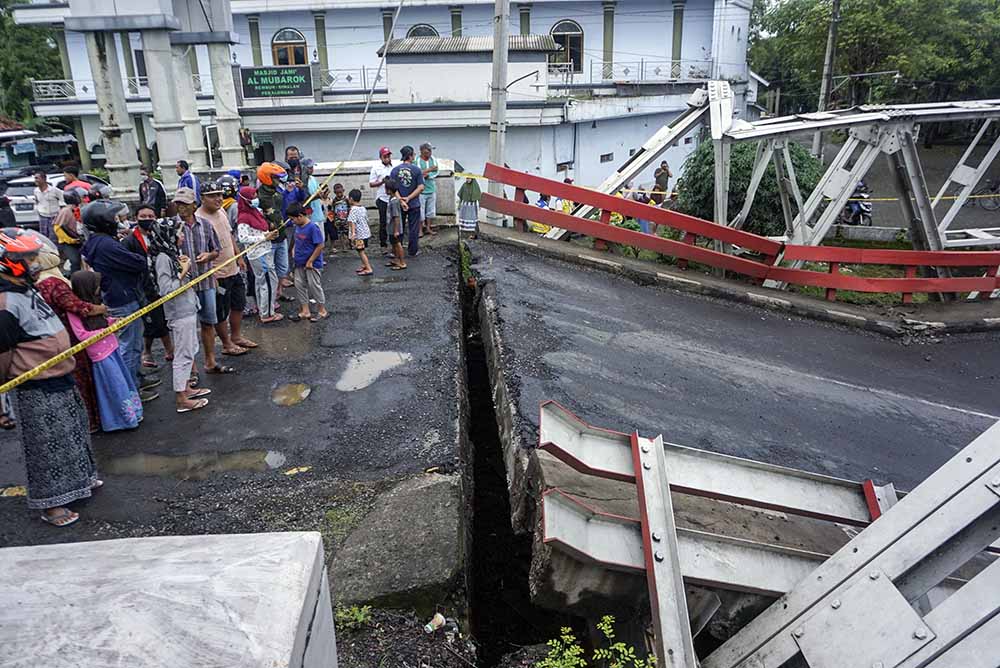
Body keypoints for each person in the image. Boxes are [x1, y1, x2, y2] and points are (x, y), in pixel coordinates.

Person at [0, 228, 98, 527]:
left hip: (62, 376)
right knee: (46, 448)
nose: (33, 262)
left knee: (74, 435)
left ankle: (80, 482)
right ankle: (52, 505)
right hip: (36, 386)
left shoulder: (27, 289)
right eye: (26, 258)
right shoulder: (5, 303)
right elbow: (3, 354)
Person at [81, 199, 161, 402]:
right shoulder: (106, 244)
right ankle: (131, 390)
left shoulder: (98, 241)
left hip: (120, 295)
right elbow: (137, 262)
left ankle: (136, 377)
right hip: (122, 299)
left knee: (133, 342)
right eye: (114, 218)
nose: (118, 221)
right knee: (130, 346)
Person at [33, 246, 103, 433]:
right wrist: (102, 309)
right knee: (80, 379)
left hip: (46, 340)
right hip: (67, 338)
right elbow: (77, 306)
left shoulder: (35, 284)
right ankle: (89, 421)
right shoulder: (54, 284)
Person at [150, 216, 212, 413]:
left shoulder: (170, 254)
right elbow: (166, 290)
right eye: (179, 234)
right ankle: (181, 399)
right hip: (179, 312)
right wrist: (183, 272)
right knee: (183, 354)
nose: (182, 238)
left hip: (187, 308)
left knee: (190, 348)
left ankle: (186, 389)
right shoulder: (162, 259)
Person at [67, 271, 142, 431]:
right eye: (96, 285)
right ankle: (121, 420)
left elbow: (102, 322)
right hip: (100, 354)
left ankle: (133, 412)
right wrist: (107, 331)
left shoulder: (95, 305)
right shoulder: (75, 311)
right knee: (115, 386)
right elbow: (81, 334)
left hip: (112, 348)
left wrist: (112, 322)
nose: (99, 288)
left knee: (123, 382)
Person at [174, 187, 231, 376]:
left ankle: (210, 361)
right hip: (183, 285)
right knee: (186, 329)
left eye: (185, 204)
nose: (181, 208)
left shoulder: (205, 225)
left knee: (208, 322)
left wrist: (209, 255)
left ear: (193, 205)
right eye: (178, 204)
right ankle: (190, 369)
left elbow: (216, 249)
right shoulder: (171, 227)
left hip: (205, 281)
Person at [197, 180, 256, 355]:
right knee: (221, 310)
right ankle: (226, 343)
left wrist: (239, 257)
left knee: (238, 303)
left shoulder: (221, 211)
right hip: (217, 273)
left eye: (220, 195)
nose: (218, 199)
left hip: (233, 267)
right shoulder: (199, 219)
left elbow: (229, 234)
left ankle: (236, 336)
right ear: (202, 198)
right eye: (212, 196)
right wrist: (211, 274)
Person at [123, 204, 175, 370]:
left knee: (162, 318)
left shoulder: (160, 235)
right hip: (144, 286)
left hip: (162, 282)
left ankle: (163, 349)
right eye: (143, 217)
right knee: (152, 320)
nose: (147, 220)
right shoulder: (130, 241)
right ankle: (152, 351)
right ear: (136, 218)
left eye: (150, 216)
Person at [236, 186, 282, 323]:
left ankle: (264, 310)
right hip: (258, 253)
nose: (256, 198)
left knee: (262, 282)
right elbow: (243, 238)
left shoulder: (256, 211)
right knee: (267, 283)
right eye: (253, 196)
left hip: (264, 251)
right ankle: (267, 314)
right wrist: (264, 237)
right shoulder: (244, 217)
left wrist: (269, 234)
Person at [287, 202, 328, 322]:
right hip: (299, 262)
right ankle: (305, 311)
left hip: (312, 264)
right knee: (300, 285)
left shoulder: (312, 227)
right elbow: (296, 241)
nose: (292, 221)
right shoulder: (298, 227)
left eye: (293, 219)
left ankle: (322, 310)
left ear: (300, 216)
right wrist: (294, 252)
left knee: (314, 286)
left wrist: (310, 261)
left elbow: (320, 245)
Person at [257, 162, 290, 306]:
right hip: (269, 239)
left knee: (282, 268)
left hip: (281, 235)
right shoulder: (259, 196)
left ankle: (279, 293)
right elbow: (255, 216)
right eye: (276, 178)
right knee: (270, 270)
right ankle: (270, 301)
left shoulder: (277, 192)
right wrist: (266, 224)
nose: (279, 181)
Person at [389, 145, 425, 257]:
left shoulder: (395, 170)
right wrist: (409, 198)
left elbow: (393, 188)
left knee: (398, 228)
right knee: (413, 228)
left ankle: (397, 250)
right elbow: (421, 187)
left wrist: (401, 200)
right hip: (414, 203)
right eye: (413, 154)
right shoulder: (416, 170)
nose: (414, 156)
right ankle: (412, 251)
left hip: (399, 204)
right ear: (410, 156)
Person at [369, 147, 394, 254]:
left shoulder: (394, 167)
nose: (387, 158)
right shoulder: (376, 168)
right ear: (381, 157)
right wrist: (382, 182)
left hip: (392, 197)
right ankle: (383, 244)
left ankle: (394, 242)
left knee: (394, 220)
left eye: (388, 156)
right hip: (382, 198)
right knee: (383, 222)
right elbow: (371, 183)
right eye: (385, 156)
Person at [53, 188, 85, 273]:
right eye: (82, 197)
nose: (83, 199)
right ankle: (75, 281)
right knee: (75, 261)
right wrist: (71, 240)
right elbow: (57, 228)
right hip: (68, 242)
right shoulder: (65, 211)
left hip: (80, 240)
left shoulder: (80, 208)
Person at [347, 188, 373, 276]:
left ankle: (368, 268)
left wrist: (353, 233)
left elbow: (352, 222)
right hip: (365, 233)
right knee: (362, 250)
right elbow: (366, 219)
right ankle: (364, 265)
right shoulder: (363, 208)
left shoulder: (353, 209)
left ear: (351, 199)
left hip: (359, 235)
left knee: (361, 251)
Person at [33, 171, 63, 243]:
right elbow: (37, 201)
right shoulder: (36, 191)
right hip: (43, 216)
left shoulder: (54, 190)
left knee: (53, 237)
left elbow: (62, 201)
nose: (35, 180)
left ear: (44, 179)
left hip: (54, 217)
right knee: (43, 237)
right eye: (35, 178)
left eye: (37, 178)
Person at [416, 142, 439, 236]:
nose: (430, 152)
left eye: (430, 150)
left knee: (430, 210)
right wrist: (429, 169)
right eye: (428, 150)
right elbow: (418, 173)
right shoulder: (417, 160)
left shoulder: (433, 159)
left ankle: (428, 228)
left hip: (431, 188)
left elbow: (436, 171)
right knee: (420, 211)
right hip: (421, 190)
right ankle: (420, 230)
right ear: (422, 151)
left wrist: (427, 174)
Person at [384, 179, 406, 270]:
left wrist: (396, 230)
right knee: (394, 244)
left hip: (395, 228)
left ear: (389, 190)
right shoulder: (391, 199)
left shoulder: (394, 202)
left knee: (398, 244)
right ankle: (396, 260)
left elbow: (396, 217)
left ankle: (402, 262)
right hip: (391, 227)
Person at [327, 183, 349, 253]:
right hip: (338, 220)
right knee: (341, 233)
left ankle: (350, 243)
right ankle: (344, 246)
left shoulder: (346, 199)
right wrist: (333, 218)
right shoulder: (334, 201)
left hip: (346, 219)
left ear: (343, 191)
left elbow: (349, 208)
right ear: (334, 192)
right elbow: (332, 210)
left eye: (340, 192)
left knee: (348, 232)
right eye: (337, 193)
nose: (339, 194)